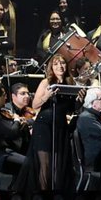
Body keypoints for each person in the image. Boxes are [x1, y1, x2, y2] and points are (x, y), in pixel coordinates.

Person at [31, 54, 75, 191]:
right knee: (46, 165)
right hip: (44, 126)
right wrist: (46, 96)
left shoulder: (70, 83)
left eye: (62, 63)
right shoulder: (46, 82)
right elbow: (35, 105)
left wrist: (79, 100)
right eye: (56, 64)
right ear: (51, 67)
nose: (60, 66)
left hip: (60, 126)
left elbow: (71, 109)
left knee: (59, 165)